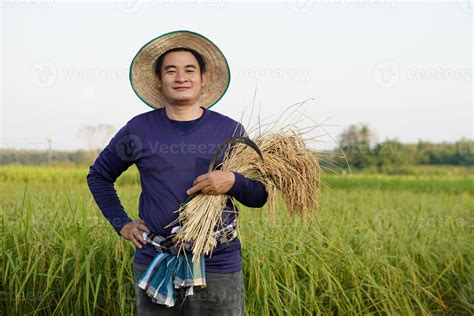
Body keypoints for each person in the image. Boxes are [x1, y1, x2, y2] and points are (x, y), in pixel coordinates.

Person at [86, 30, 268, 316]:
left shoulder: (230, 131)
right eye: (170, 70)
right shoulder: (139, 129)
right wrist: (122, 223)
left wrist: (232, 181)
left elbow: (259, 194)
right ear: (159, 81)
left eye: (189, 70)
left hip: (217, 265)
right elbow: (99, 176)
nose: (180, 77)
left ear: (203, 78)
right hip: (156, 262)